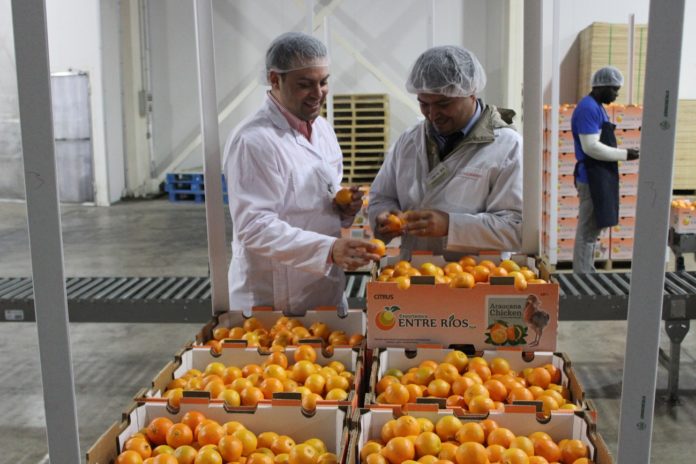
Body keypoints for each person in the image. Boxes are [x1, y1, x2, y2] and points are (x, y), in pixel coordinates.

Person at [223, 32, 380, 315]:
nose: (318, 93)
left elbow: (316, 197)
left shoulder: (322, 130)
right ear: (275, 80)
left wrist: (341, 206)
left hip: (324, 285)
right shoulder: (254, 141)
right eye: (305, 84)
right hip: (274, 296)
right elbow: (254, 226)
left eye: (323, 82)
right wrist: (329, 250)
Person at [368, 46, 523, 257]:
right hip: (414, 274)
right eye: (424, 104)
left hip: (475, 277)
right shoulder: (409, 140)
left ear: (471, 93)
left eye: (444, 104)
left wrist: (451, 225)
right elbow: (382, 196)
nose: (433, 115)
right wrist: (384, 216)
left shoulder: (508, 146)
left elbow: (516, 228)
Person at [571, 66, 639, 273]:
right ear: (602, 86)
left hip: (598, 175)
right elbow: (591, 147)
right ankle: (581, 279)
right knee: (587, 231)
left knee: (592, 230)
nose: (617, 94)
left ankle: (586, 272)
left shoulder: (597, 107)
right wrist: (625, 154)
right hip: (591, 177)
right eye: (615, 89)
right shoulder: (588, 108)